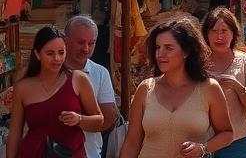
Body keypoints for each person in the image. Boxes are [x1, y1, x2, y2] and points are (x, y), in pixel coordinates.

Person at [120, 18, 233, 158]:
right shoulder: (145, 89)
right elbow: (132, 142)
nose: (160, 54)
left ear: (186, 52)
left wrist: (202, 147)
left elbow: (227, 133)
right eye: (157, 47)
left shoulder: (209, 88)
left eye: (168, 48)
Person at [6, 26, 104, 158]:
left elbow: (99, 120)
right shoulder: (23, 87)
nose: (57, 58)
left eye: (61, 52)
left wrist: (79, 119)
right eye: (50, 53)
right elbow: (15, 134)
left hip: (70, 153)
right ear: (37, 54)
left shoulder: (78, 79)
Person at [202, 8, 246, 158]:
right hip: (201, 143)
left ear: (233, 34)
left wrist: (237, 86)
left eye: (224, 30)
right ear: (206, 34)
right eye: (214, 31)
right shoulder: (195, 64)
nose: (219, 36)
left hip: (239, 142)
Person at [62, 16, 118, 158]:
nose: (86, 49)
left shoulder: (100, 73)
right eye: (80, 42)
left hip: (89, 152)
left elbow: (107, 119)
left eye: (91, 43)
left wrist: (78, 120)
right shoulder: (49, 72)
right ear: (65, 39)